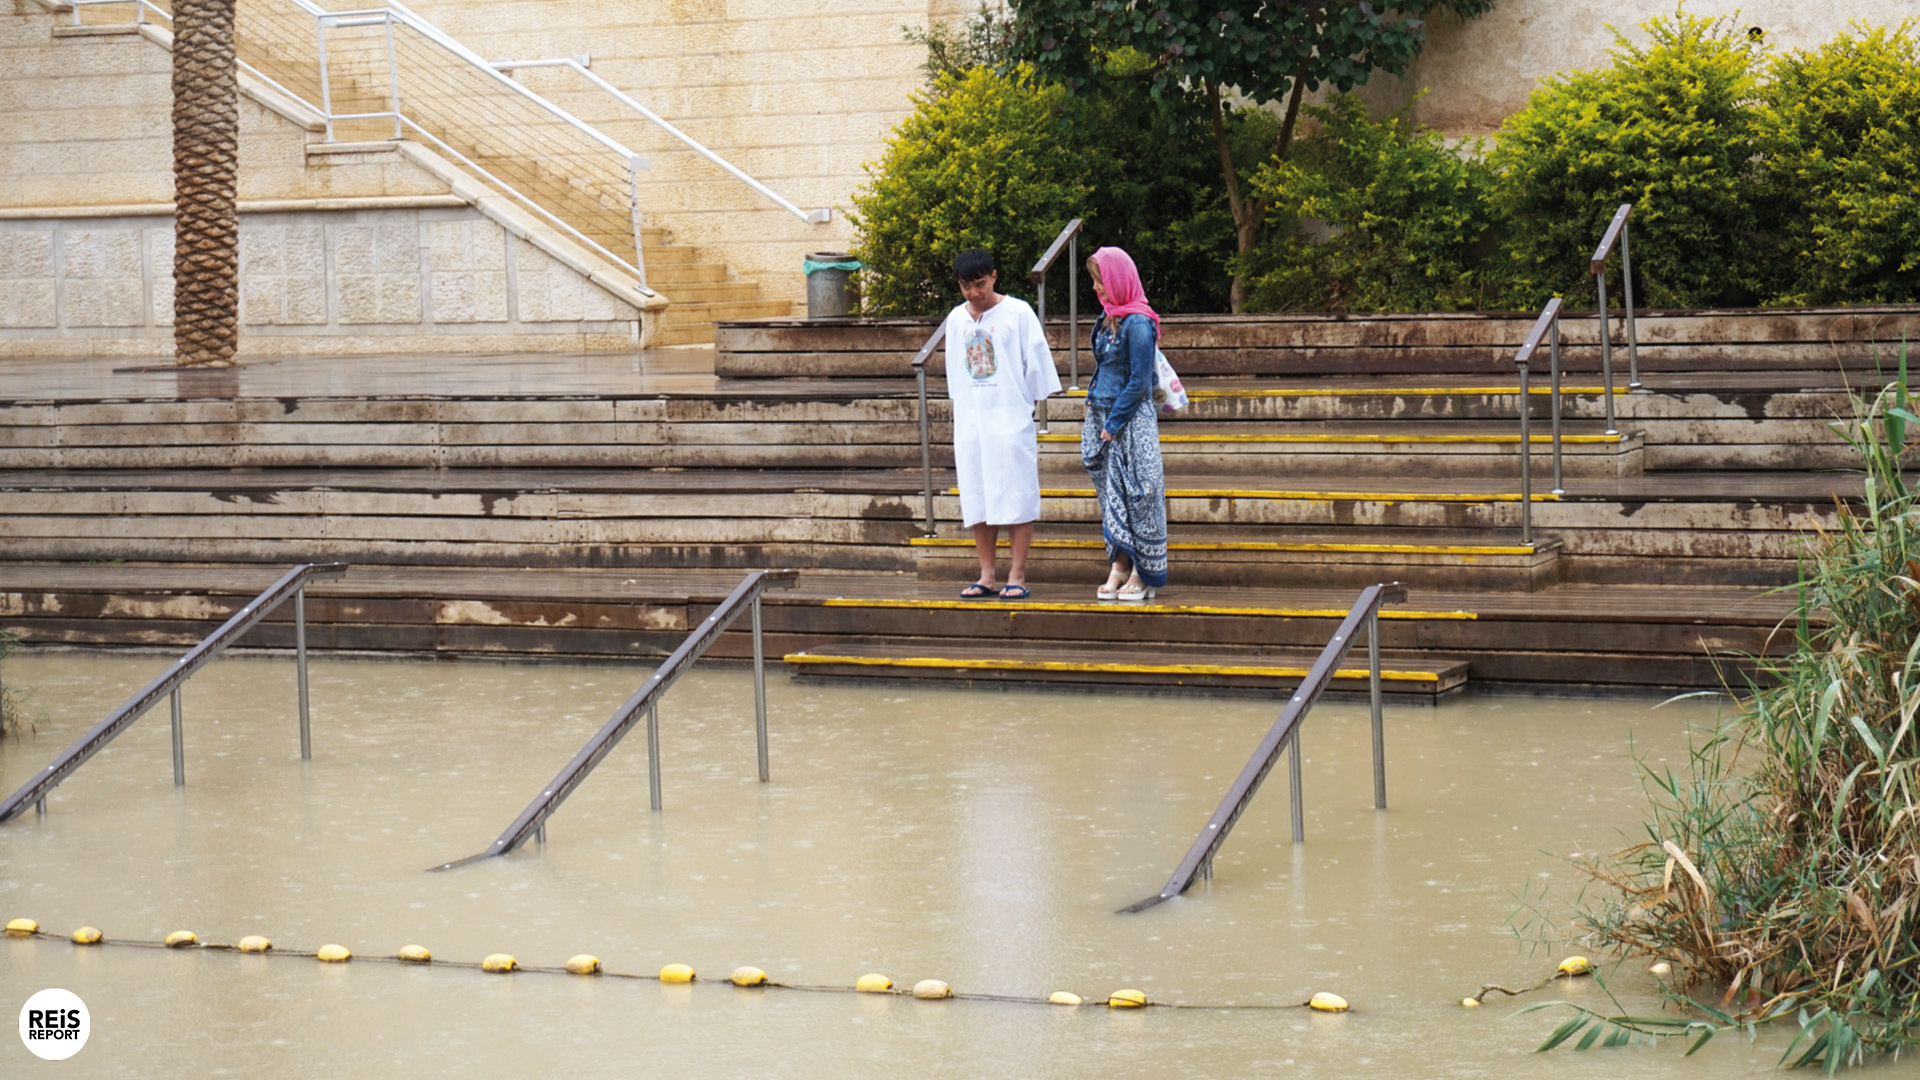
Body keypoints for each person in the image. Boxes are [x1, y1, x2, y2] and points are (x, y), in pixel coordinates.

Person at [943, 248, 1061, 599]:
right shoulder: (956, 319)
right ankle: (987, 574)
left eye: (979, 284)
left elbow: (1035, 367)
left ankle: (1017, 574)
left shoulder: (1018, 312)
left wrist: (1021, 408)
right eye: (966, 286)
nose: (973, 293)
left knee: (1017, 493)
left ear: (994, 277)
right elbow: (955, 373)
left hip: (1009, 419)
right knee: (977, 494)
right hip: (971, 421)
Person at [1082, 247, 1168, 601]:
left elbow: (1139, 381)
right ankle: (1119, 564)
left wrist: (1114, 422)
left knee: (1141, 493)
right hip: (1102, 414)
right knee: (1113, 495)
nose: (1096, 288)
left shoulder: (1139, 323)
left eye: (1100, 281)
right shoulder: (1108, 319)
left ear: (1118, 280)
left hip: (1129, 420)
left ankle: (1142, 572)